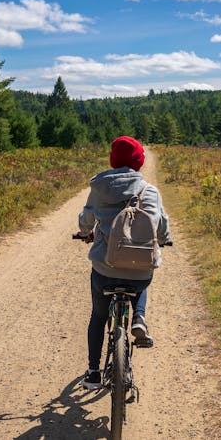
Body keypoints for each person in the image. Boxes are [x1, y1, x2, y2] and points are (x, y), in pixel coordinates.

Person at [76, 136, 172, 390]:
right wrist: (164, 240)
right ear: (139, 162)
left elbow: (86, 220)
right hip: (140, 269)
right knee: (141, 281)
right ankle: (139, 317)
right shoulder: (150, 191)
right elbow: (160, 225)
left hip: (105, 268)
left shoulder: (99, 189)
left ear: (112, 160)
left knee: (98, 315)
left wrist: (86, 232)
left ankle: (93, 372)